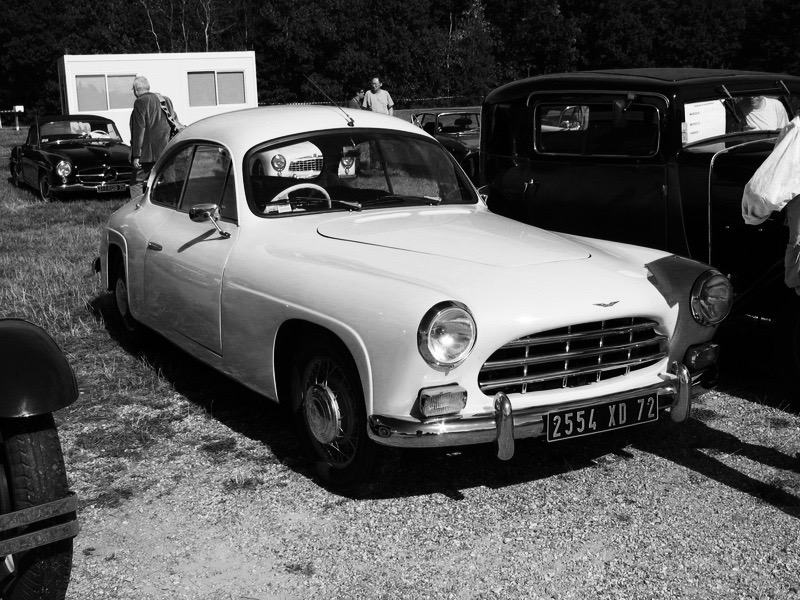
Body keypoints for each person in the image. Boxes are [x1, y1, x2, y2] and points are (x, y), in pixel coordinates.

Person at [129, 75, 179, 199]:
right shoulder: (165, 99)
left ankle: (137, 207)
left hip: (149, 153)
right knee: (171, 182)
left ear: (136, 89)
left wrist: (136, 155)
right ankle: (173, 204)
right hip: (168, 149)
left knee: (136, 183)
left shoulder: (140, 102)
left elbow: (139, 129)